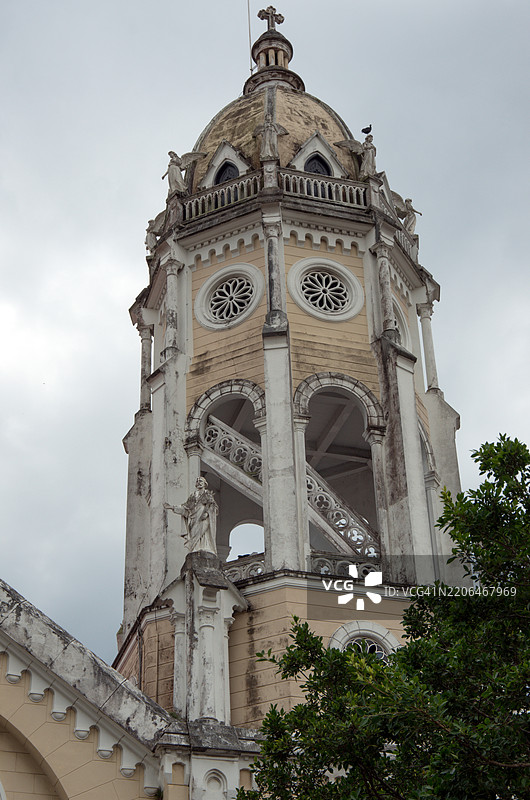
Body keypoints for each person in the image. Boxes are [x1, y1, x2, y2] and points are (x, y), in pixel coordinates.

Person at [165, 477, 218, 554]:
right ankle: (195, 548)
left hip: (203, 517)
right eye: (197, 481)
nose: (199, 483)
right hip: (194, 518)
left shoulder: (207, 494)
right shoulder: (193, 495)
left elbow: (213, 506)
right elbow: (185, 507)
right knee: (194, 533)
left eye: (201, 481)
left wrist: (206, 513)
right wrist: (172, 507)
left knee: (203, 533)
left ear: (204, 484)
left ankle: (205, 547)